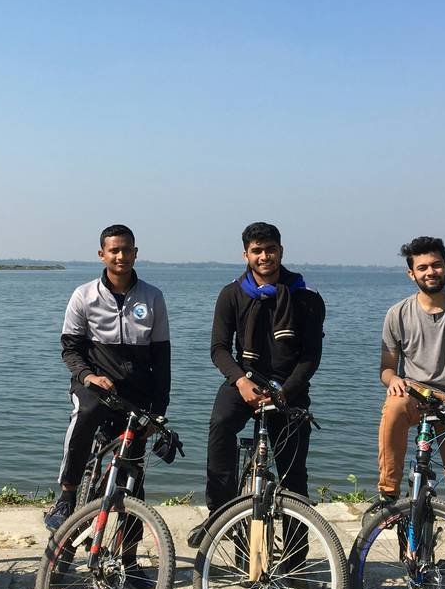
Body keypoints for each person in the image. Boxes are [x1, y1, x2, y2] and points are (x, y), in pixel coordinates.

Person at [44, 224, 171, 531]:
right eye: (114, 250)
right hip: (94, 385)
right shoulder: (84, 295)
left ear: (136, 253)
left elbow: (162, 359)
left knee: (132, 475)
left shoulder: (152, 297)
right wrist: (89, 376)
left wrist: (158, 412)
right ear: (102, 255)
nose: (121, 256)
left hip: (136, 393)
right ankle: (67, 494)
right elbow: (70, 350)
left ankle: (129, 555)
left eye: (127, 250)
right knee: (85, 413)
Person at [200, 222, 324, 525]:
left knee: (294, 474)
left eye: (270, 249)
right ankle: (219, 514)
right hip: (245, 381)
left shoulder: (306, 297)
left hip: (289, 387)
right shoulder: (231, 294)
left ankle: (296, 559)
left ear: (281, 251)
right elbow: (219, 348)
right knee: (220, 426)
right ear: (246, 255)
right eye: (257, 251)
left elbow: (310, 357)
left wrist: (285, 391)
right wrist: (240, 381)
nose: (264, 256)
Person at [366, 237, 445, 531]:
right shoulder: (397, 313)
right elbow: (387, 368)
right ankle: (388, 492)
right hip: (414, 394)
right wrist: (393, 379)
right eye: (422, 267)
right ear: (412, 274)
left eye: (435, 265)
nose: (430, 271)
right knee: (394, 405)